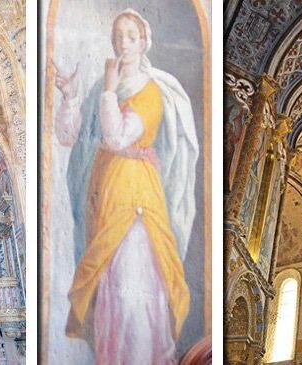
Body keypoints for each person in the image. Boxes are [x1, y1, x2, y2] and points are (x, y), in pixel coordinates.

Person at [54, 8, 198, 364]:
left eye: (131, 36)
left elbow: (117, 137)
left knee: (136, 292)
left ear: (144, 41)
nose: (123, 43)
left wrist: (107, 90)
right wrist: (71, 96)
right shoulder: (104, 92)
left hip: (137, 201)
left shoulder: (150, 91)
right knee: (111, 298)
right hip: (104, 201)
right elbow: (69, 135)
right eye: (118, 36)